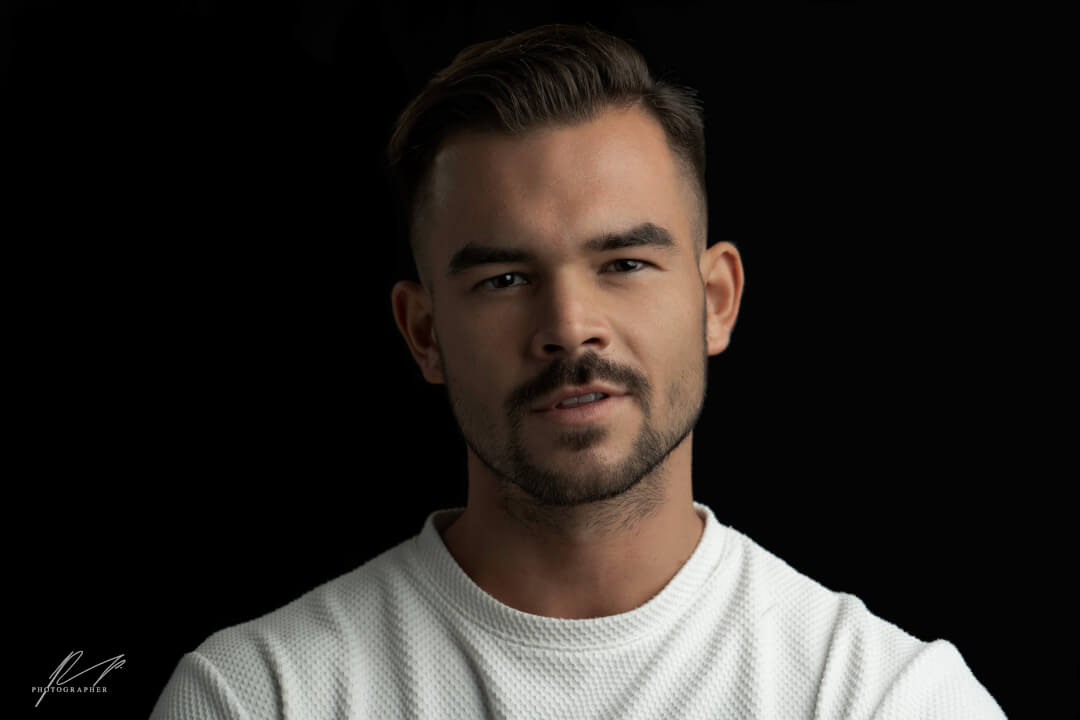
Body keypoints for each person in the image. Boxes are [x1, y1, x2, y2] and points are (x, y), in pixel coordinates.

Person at [150, 22, 1006, 720]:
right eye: (505, 280)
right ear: (424, 333)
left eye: (625, 264)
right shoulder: (259, 696)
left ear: (715, 299)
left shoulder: (885, 699)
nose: (568, 328)